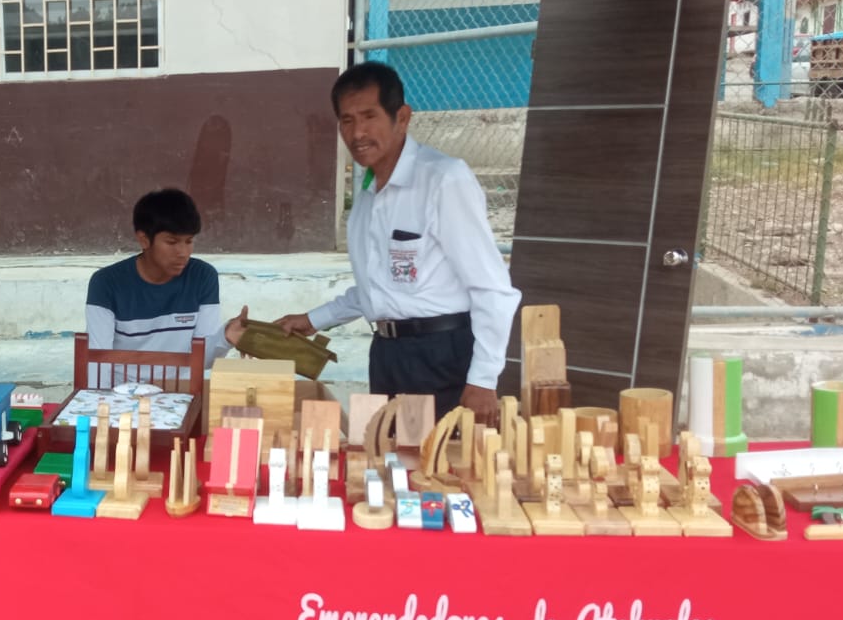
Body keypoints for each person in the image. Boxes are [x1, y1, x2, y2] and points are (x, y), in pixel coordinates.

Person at [276, 62, 519, 426]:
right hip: (387, 354)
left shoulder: (443, 179)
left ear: (402, 118)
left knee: (441, 459)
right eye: (346, 120)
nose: (358, 133)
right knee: (386, 455)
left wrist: (483, 380)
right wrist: (313, 320)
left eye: (369, 116)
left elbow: (492, 288)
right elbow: (376, 288)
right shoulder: (367, 194)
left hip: (442, 357)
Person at [86, 188, 246, 368]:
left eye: (189, 241)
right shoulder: (106, 283)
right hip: (123, 386)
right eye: (172, 242)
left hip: (183, 385)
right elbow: (97, 362)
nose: (183, 252)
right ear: (144, 239)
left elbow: (202, 361)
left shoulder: (202, 277)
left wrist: (224, 338)